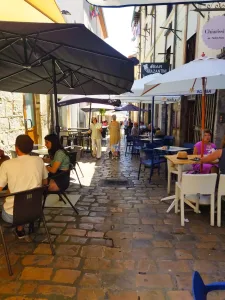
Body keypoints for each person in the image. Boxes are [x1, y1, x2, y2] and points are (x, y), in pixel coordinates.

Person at [0, 135, 48, 239]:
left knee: (10, 203)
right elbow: (45, 182)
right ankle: (20, 230)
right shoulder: (39, 161)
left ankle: (19, 229)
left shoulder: (7, 164)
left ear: (16, 148)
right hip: (35, 211)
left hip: (12, 216)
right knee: (23, 197)